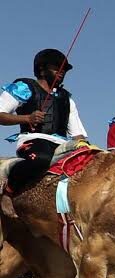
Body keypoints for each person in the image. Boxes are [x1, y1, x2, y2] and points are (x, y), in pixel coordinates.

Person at [0, 49, 88, 211]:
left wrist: (84, 147)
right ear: (41, 69)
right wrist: (27, 118)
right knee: (41, 159)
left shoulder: (66, 99)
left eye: (64, 70)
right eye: (57, 68)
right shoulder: (24, 87)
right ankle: (8, 192)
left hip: (61, 144)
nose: (61, 72)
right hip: (34, 140)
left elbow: (78, 134)